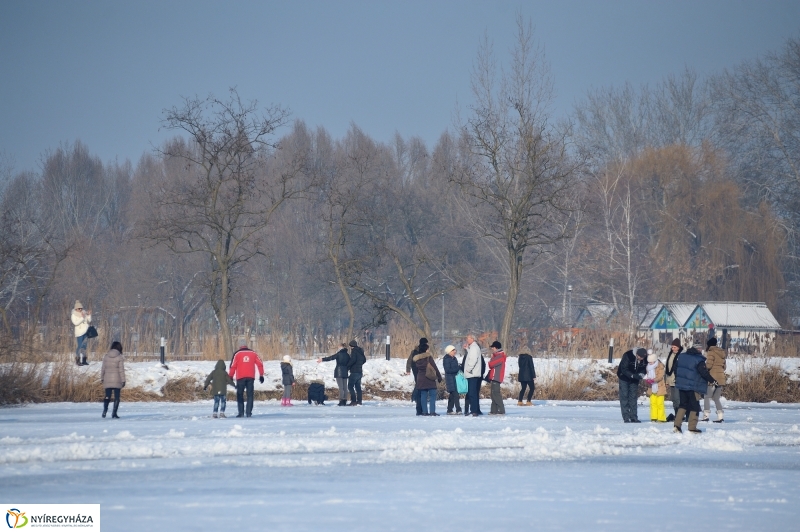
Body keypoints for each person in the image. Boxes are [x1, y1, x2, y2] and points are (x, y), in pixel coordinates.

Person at [673, 343, 716, 434]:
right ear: (698, 349)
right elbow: (703, 372)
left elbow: (675, 368)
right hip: (693, 387)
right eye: (700, 348)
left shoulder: (682, 356)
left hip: (682, 385)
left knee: (683, 405)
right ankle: (692, 427)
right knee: (695, 406)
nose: (701, 350)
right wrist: (712, 380)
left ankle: (677, 426)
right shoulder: (699, 359)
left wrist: (679, 378)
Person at [228, 344, 265, 418]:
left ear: (240, 346)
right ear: (246, 346)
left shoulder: (237, 354)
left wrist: (230, 376)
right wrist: (261, 375)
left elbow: (233, 366)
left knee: (240, 395)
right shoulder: (253, 353)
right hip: (250, 377)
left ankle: (241, 413)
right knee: (250, 395)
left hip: (240, 377)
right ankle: (248, 413)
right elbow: (260, 364)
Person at [617, 347, 647, 423]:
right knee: (624, 396)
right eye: (640, 357)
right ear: (636, 354)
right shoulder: (628, 355)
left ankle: (634, 417)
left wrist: (642, 374)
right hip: (624, 377)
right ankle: (626, 417)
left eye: (643, 357)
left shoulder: (644, 359)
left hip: (635, 379)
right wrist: (632, 375)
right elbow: (624, 369)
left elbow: (644, 368)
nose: (641, 359)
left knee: (633, 397)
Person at [702, 336, 727, 423]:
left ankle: (706, 416)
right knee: (716, 398)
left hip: (713, 378)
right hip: (721, 378)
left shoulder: (711, 352)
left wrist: (704, 367)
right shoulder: (722, 352)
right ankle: (720, 416)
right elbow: (724, 367)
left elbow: (709, 365)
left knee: (707, 397)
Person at [413, 344, 442, 416]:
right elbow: (435, 368)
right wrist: (439, 377)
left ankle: (424, 412)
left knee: (423, 395)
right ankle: (432, 411)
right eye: (428, 349)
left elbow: (415, 370)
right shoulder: (428, 358)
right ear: (426, 349)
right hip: (429, 378)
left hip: (421, 378)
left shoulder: (417, 359)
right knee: (432, 395)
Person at [100, 341, 125, 419]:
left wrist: (102, 378)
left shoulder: (106, 356)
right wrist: (123, 380)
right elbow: (121, 370)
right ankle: (114, 413)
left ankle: (105, 410)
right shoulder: (119, 357)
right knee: (117, 397)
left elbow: (103, 368)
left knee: (107, 396)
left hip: (107, 378)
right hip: (117, 379)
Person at [462, 334, 484, 416]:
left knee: (472, 393)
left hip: (472, 373)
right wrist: (467, 349)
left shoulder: (474, 347)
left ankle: (474, 410)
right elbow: (472, 355)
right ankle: (475, 409)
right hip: (473, 373)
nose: (467, 340)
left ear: (472, 339)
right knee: (473, 392)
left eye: (468, 338)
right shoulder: (473, 347)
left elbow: (473, 359)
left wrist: (469, 369)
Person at [406, 338, 428, 415]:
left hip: (416, 370)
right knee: (419, 388)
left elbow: (409, 361)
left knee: (418, 386)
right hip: (419, 371)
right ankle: (417, 402)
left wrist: (408, 369)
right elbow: (410, 361)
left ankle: (417, 403)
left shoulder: (415, 351)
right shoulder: (421, 351)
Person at [664, 338, 683, 422]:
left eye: (675, 347)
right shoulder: (670, 355)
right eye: (672, 347)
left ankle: (680, 415)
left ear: (678, 347)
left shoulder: (681, 355)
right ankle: (676, 414)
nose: (673, 349)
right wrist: (667, 381)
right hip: (670, 379)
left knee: (678, 398)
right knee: (674, 399)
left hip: (678, 380)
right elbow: (667, 368)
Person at [645, 351, 667, 422]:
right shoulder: (648, 367)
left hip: (659, 387)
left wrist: (653, 380)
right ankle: (654, 417)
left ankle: (661, 418)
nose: (650, 363)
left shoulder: (660, 366)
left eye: (651, 362)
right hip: (651, 388)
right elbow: (648, 375)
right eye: (649, 362)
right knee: (653, 403)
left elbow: (660, 376)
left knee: (660, 403)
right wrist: (648, 379)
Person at [487, 341, 507, 415]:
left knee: (496, 394)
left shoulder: (499, 356)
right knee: (493, 394)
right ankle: (494, 410)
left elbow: (491, 364)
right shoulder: (497, 355)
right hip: (494, 377)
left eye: (493, 347)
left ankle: (501, 409)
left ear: (496, 348)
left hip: (497, 377)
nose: (492, 349)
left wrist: (492, 358)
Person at [442, 345, 462, 415]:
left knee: (452, 395)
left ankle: (449, 409)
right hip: (450, 379)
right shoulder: (446, 359)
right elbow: (447, 370)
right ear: (449, 351)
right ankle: (458, 409)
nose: (455, 351)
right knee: (455, 394)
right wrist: (457, 369)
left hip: (456, 378)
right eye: (453, 350)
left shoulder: (454, 358)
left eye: (455, 350)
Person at [71, 300, 92, 366]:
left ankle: (84, 360)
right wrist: (82, 318)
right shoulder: (73, 315)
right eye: (78, 308)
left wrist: (88, 315)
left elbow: (89, 321)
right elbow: (75, 323)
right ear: (76, 308)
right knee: (79, 346)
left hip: (85, 332)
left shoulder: (84, 313)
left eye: (81, 308)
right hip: (79, 333)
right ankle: (78, 360)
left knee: (84, 346)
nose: (80, 309)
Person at [346, 339, 366, 406]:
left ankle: (353, 401)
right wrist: (359, 365)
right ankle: (359, 401)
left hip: (354, 372)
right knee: (358, 387)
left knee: (350, 386)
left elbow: (353, 360)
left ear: (351, 346)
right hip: (360, 371)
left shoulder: (354, 351)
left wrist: (347, 366)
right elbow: (364, 360)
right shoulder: (360, 351)